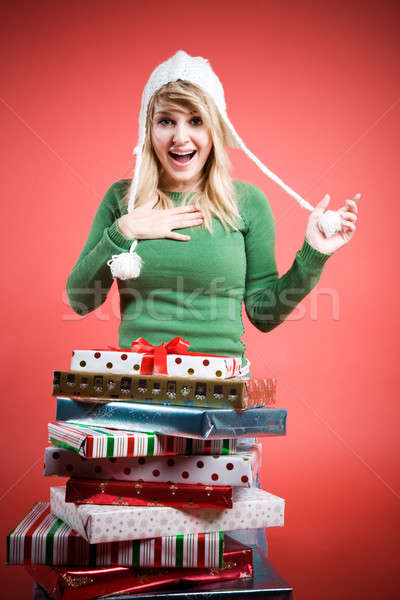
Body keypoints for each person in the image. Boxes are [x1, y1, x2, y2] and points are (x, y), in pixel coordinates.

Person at [64, 51, 358, 562]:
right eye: (166, 121)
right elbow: (80, 298)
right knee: (135, 548)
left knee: (225, 548)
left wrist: (313, 253)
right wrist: (123, 232)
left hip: (219, 402)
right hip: (140, 403)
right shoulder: (122, 199)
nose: (181, 137)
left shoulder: (247, 204)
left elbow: (264, 312)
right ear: (147, 127)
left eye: (196, 120)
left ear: (217, 126)